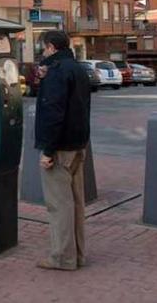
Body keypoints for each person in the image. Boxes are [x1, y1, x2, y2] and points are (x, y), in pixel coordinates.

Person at [34, 30, 92, 271]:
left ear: (51, 47)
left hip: (60, 148)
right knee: (76, 204)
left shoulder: (57, 73)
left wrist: (48, 150)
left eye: (44, 48)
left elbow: (54, 113)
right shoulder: (78, 69)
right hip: (79, 145)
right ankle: (77, 255)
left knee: (59, 206)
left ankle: (62, 258)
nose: (43, 52)